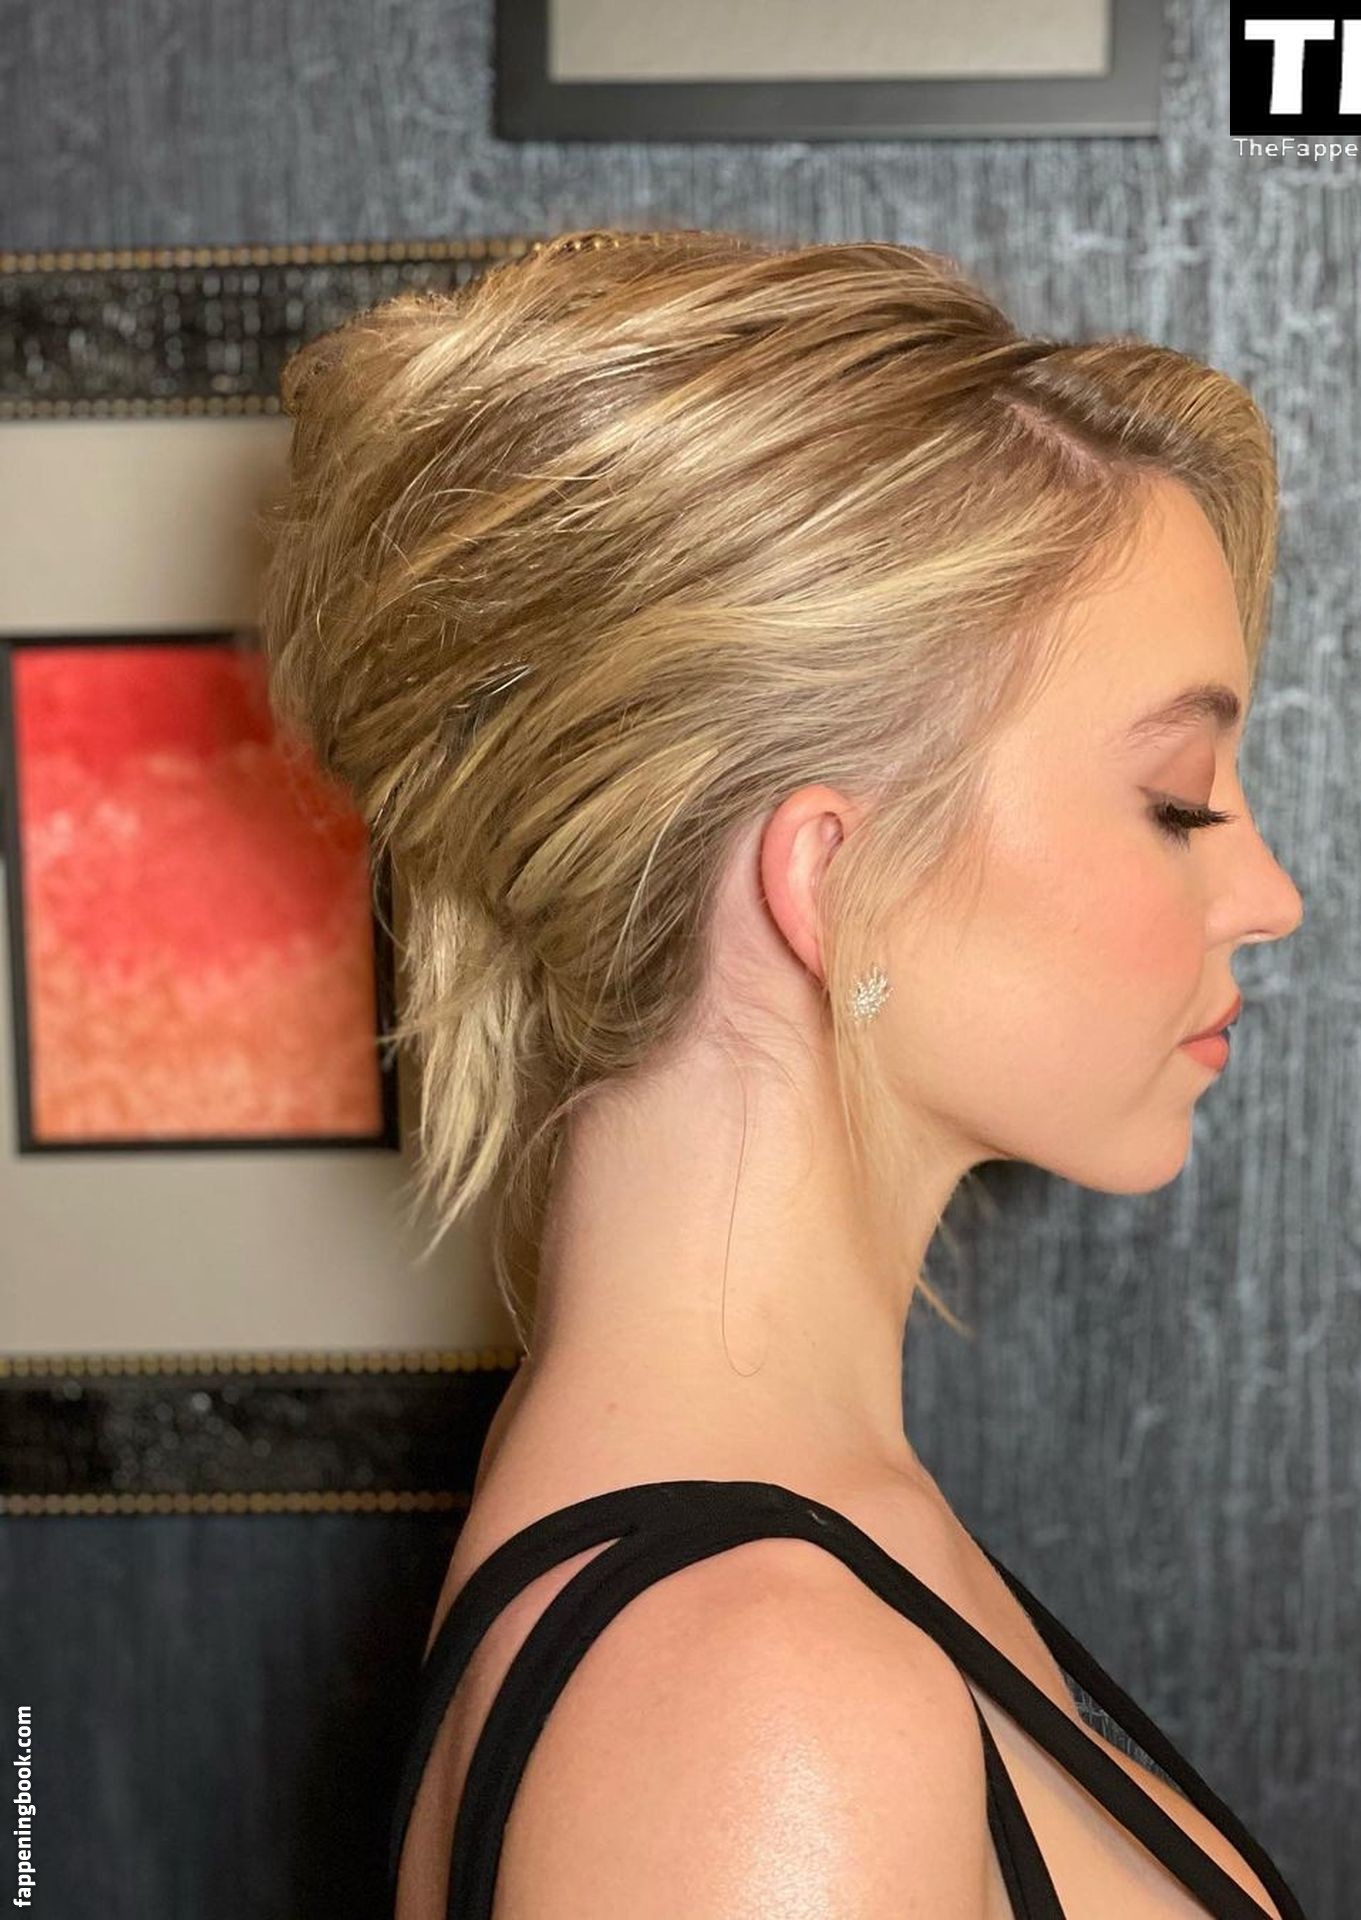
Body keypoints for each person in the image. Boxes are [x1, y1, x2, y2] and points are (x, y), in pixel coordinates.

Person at [259, 227, 1308, 1919]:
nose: (1267, 894)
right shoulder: (760, 1706)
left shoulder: (789, 1563)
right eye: (1178, 801)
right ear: (833, 878)